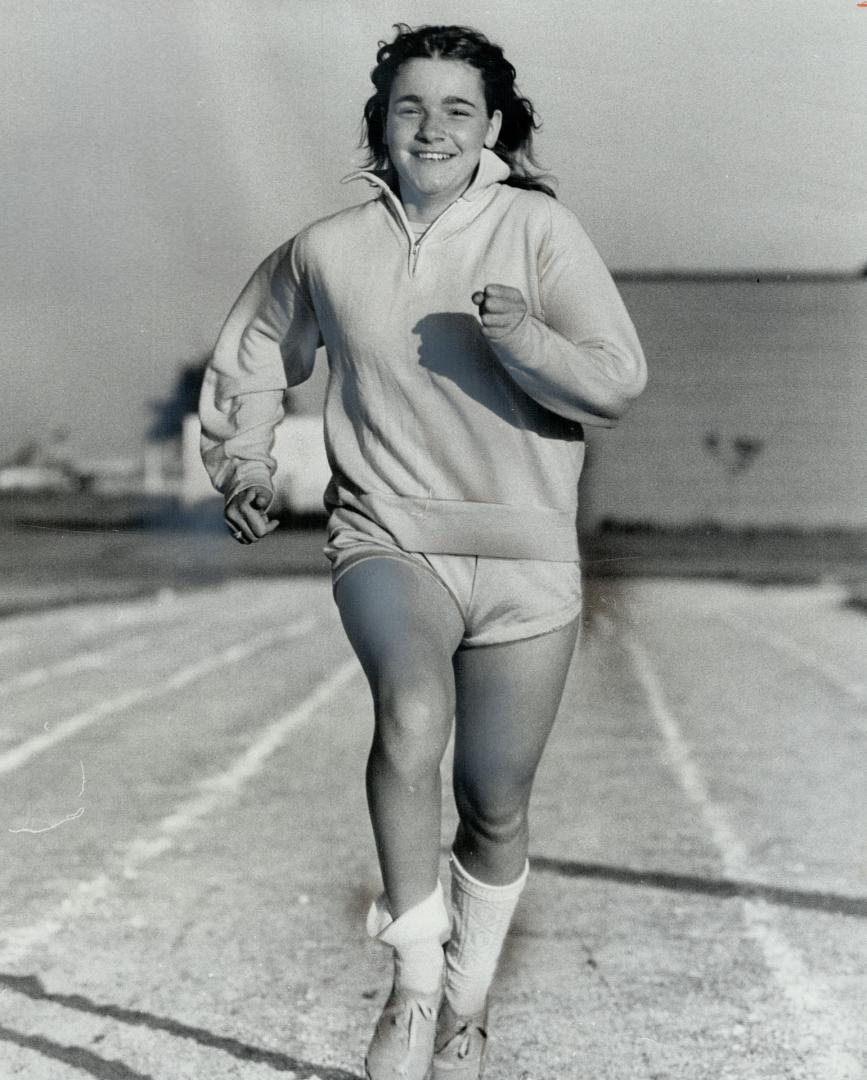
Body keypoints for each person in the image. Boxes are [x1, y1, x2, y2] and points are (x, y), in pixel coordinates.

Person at [199, 23, 646, 1080]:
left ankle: (466, 1008)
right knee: (410, 711)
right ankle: (409, 980)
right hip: (388, 532)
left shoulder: (542, 233)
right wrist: (249, 466)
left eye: (457, 109)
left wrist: (523, 338)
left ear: (492, 126)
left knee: (495, 800)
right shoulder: (326, 249)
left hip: (530, 557)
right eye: (410, 107)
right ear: (380, 124)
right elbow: (257, 350)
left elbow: (616, 381)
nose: (432, 127)